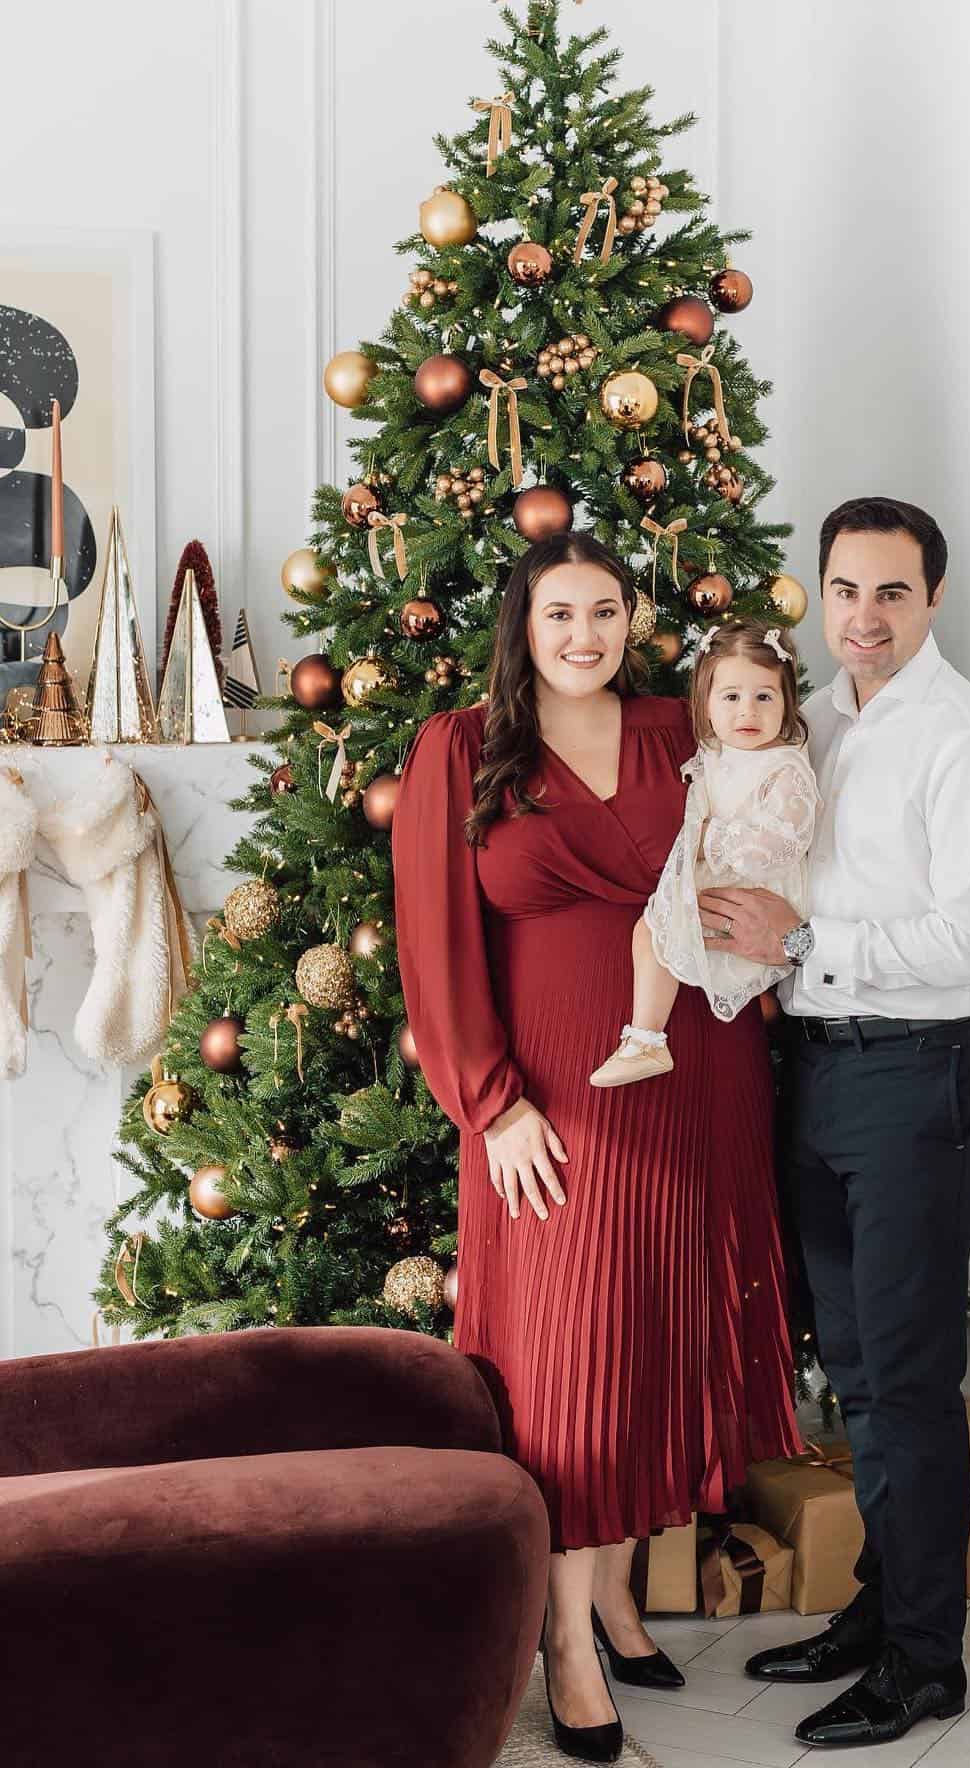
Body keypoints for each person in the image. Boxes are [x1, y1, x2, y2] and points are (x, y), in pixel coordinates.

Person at [392, 533, 801, 1764]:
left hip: (693, 1079)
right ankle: (565, 1642)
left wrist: (790, 926)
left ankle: (617, 1598)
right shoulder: (460, 748)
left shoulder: (687, 726)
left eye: (606, 611)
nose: (584, 635)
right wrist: (492, 1101)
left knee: (652, 1346)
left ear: (634, 621)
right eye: (559, 612)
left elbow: (782, 827)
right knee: (568, 1369)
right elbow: (433, 944)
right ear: (522, 624)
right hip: (551, 1107)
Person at [698, 497, 970, 1750]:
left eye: (891, 593)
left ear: (934, 598)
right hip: (819, 1072)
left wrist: (800, 943)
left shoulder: (969, 743)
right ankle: (877, 1604)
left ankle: (923, 1663)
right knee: (853, 1372)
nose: (864, 616)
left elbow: (969, 943)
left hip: (919, 1075)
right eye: (845, 589)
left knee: (906, 1378)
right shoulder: (817, 723)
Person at [590, 618, 818, 1087]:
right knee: (648, 932)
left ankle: (647, 1037)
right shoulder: (714, 755)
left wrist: (709, 836)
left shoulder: (785, 766)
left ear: (786, 702)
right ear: (707, 704)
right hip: (717, 878)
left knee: (657, 929)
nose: (747, 712)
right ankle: (647, 1039)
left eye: (764, 696)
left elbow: (780, 843)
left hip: (757, 893)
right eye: (731, 697)